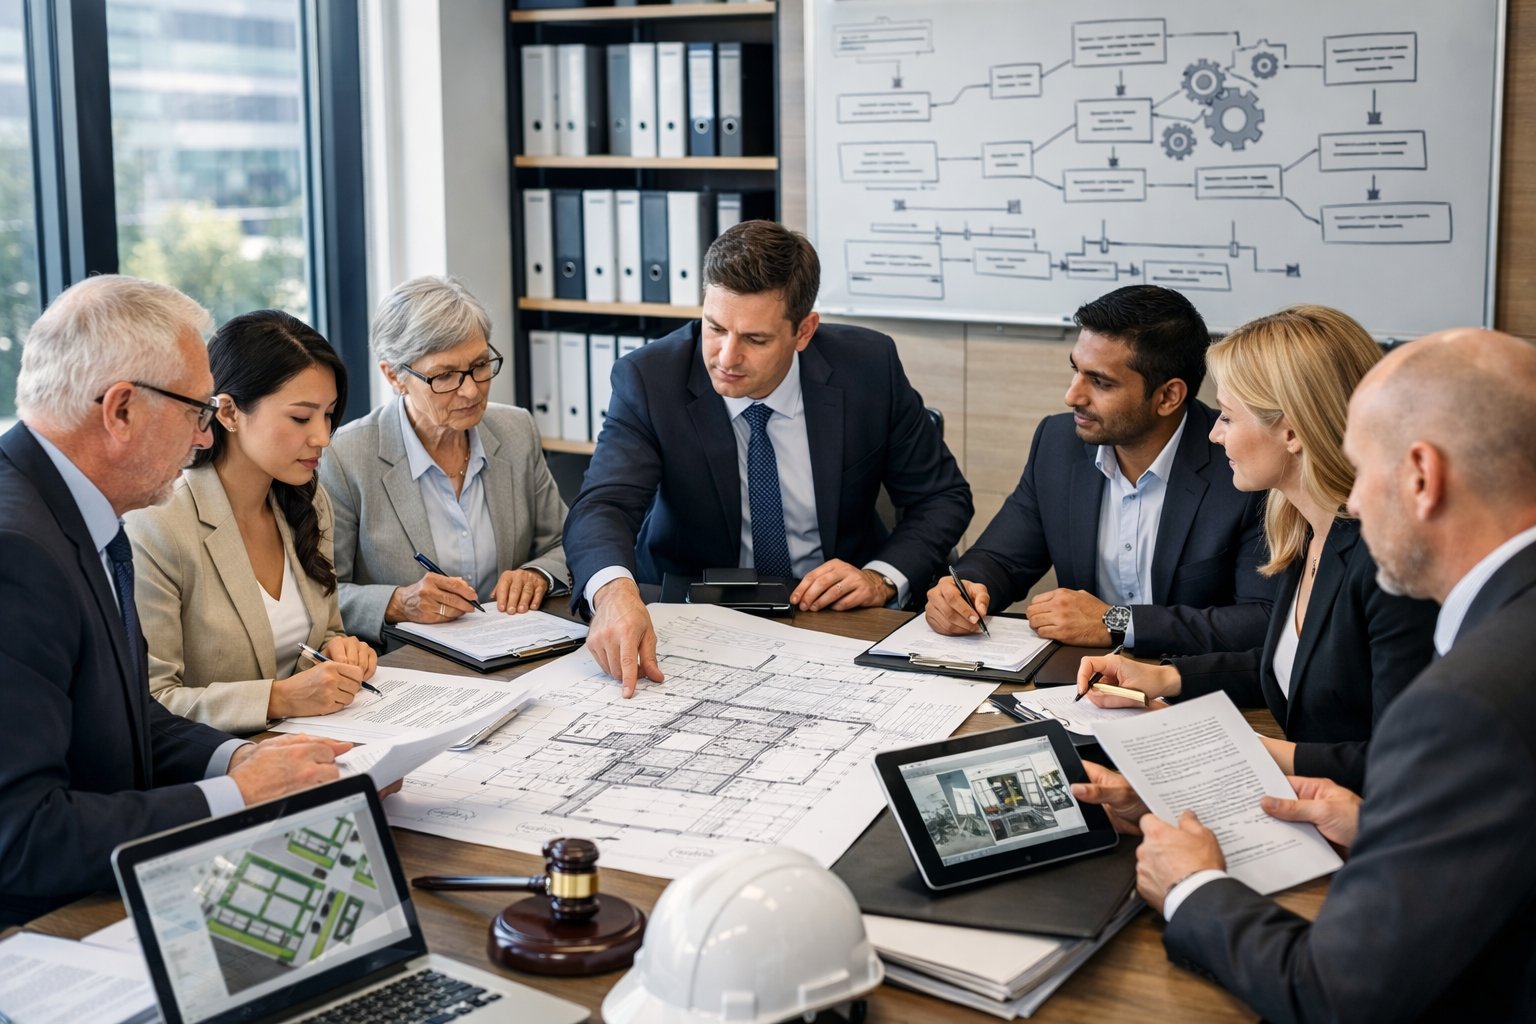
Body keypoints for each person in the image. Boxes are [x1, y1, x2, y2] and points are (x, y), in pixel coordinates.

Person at [1072, 328, 1536, 1021]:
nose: (1355, 498)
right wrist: (1372, 817)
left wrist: (1193, 886)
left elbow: (1336, 994)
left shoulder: (1468, 699)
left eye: (1361, 465)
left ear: (1420, 476)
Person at [0, 276, 350, 925]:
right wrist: (234, 794)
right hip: (47, 930)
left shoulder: (83, 512)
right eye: (195, 412)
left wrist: (239, 756)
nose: (201, 438)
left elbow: (129, 719)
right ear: (122, 409)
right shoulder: (16, 552)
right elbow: (22, 836)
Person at [564, 220, 971, 695]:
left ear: (804, 331)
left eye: (755, 340)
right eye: (714, 328)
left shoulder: (869, 368)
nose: (726, 357)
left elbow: (942, 497)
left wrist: (880, 578)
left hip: (835, 619)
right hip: (695, 619)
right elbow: (602, 505)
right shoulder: (650, 379)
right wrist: (613, 592)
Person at [1077, 307, 1437, 792]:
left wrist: (1227, 742)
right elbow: (1298, 663)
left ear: (1292, 431)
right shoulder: (1306, 527)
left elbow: (1399, 764)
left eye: (1227, 416)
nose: (1213, 433)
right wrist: (1162, 678)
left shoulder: (1388, 567)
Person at [926, 285, 1273, 656]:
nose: (1072, 396)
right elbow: (1001, 558)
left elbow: (1262, 618)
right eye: (1076, 371)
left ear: (1168, 396)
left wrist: (1117, 621)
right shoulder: (1058, 442)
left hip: (1194, 686)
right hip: (1080, 682)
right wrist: (964, 591)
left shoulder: (1241, 466)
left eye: (1100, 382)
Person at [125, 310, 378, 735]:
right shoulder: (158, 525)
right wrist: (279, 697)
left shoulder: (308, 500)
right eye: (301, 417)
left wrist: (338, 650)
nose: (323, 436)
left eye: (329, 414)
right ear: (227, 412)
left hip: (319, 737)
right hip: (222, 764)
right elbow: (152, 701)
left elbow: (324, 631)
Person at [320, 275, 569, 644]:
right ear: (394, 375)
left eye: (480, 366)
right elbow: (321, 595)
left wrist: (538, 574)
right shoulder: (346, 456)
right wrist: (396, 602)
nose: (470, 390)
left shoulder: (516, 431)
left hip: (516, 649)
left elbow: (568, 542)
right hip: (411, 667)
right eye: (445, 376)